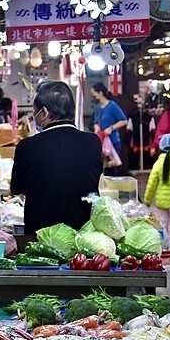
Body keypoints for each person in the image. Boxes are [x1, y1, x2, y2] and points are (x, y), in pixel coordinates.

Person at [11, 81, 103, 234]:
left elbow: (16, 188)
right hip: (84, 234)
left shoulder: (27, 146)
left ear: (44, 112)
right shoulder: (93, 142)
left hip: (41, 237)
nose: (34, 116)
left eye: (35, 111)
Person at [90, 82, 128, 175]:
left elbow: (124, 120)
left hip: (112, 141)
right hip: (101, 142)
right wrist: (96, 126)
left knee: (111, 168)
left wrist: (111, 128)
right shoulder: (97, 108)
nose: (93, 96)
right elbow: (95, 121)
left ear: (100, 93)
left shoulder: (112, 106)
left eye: (94, 94)